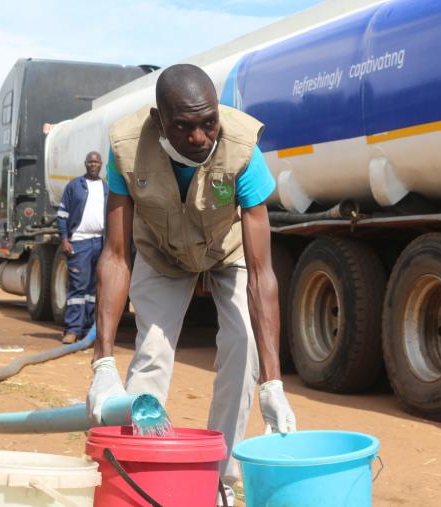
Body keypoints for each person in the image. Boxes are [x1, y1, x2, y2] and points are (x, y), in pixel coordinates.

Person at [87, 64, 296, 505]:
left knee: (244, 348)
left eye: (208, 123)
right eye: (184, 126)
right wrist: (102, 363)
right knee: (152, 353)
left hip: (227, 250)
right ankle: (142, 477)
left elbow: (262, 271)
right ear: (159, 120)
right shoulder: (125, 149)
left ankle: (219, 478)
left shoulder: (242, 149)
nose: (200, 138)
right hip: (161, 253)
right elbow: (116, 255)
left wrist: (273, 383)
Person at [56, 151, 108, 344]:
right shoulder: (74, 186)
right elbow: (62, 215)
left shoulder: (106, 188)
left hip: (99, 243)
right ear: (85, 164)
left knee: (94, 290)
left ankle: (87, 331)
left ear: (101, 165)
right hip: (79, 242)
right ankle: (72, 330)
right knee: (78, 287)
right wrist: (64, 239)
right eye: (90, 161)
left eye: (96, 162)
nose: (93, 164)